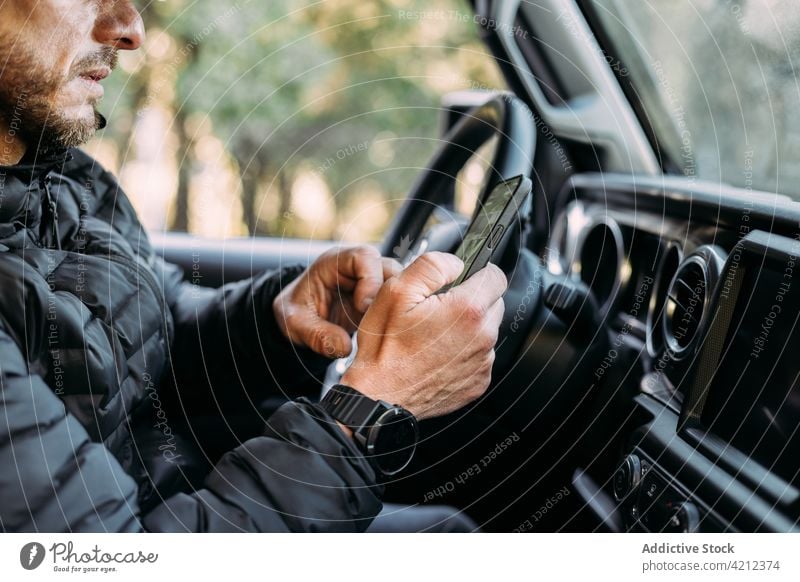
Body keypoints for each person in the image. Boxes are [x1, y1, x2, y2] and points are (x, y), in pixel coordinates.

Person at [0, 0, 506, 532]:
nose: (128, 29)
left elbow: (149, 346)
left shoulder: (66, 180)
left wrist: (272, 321)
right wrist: (367, 414)